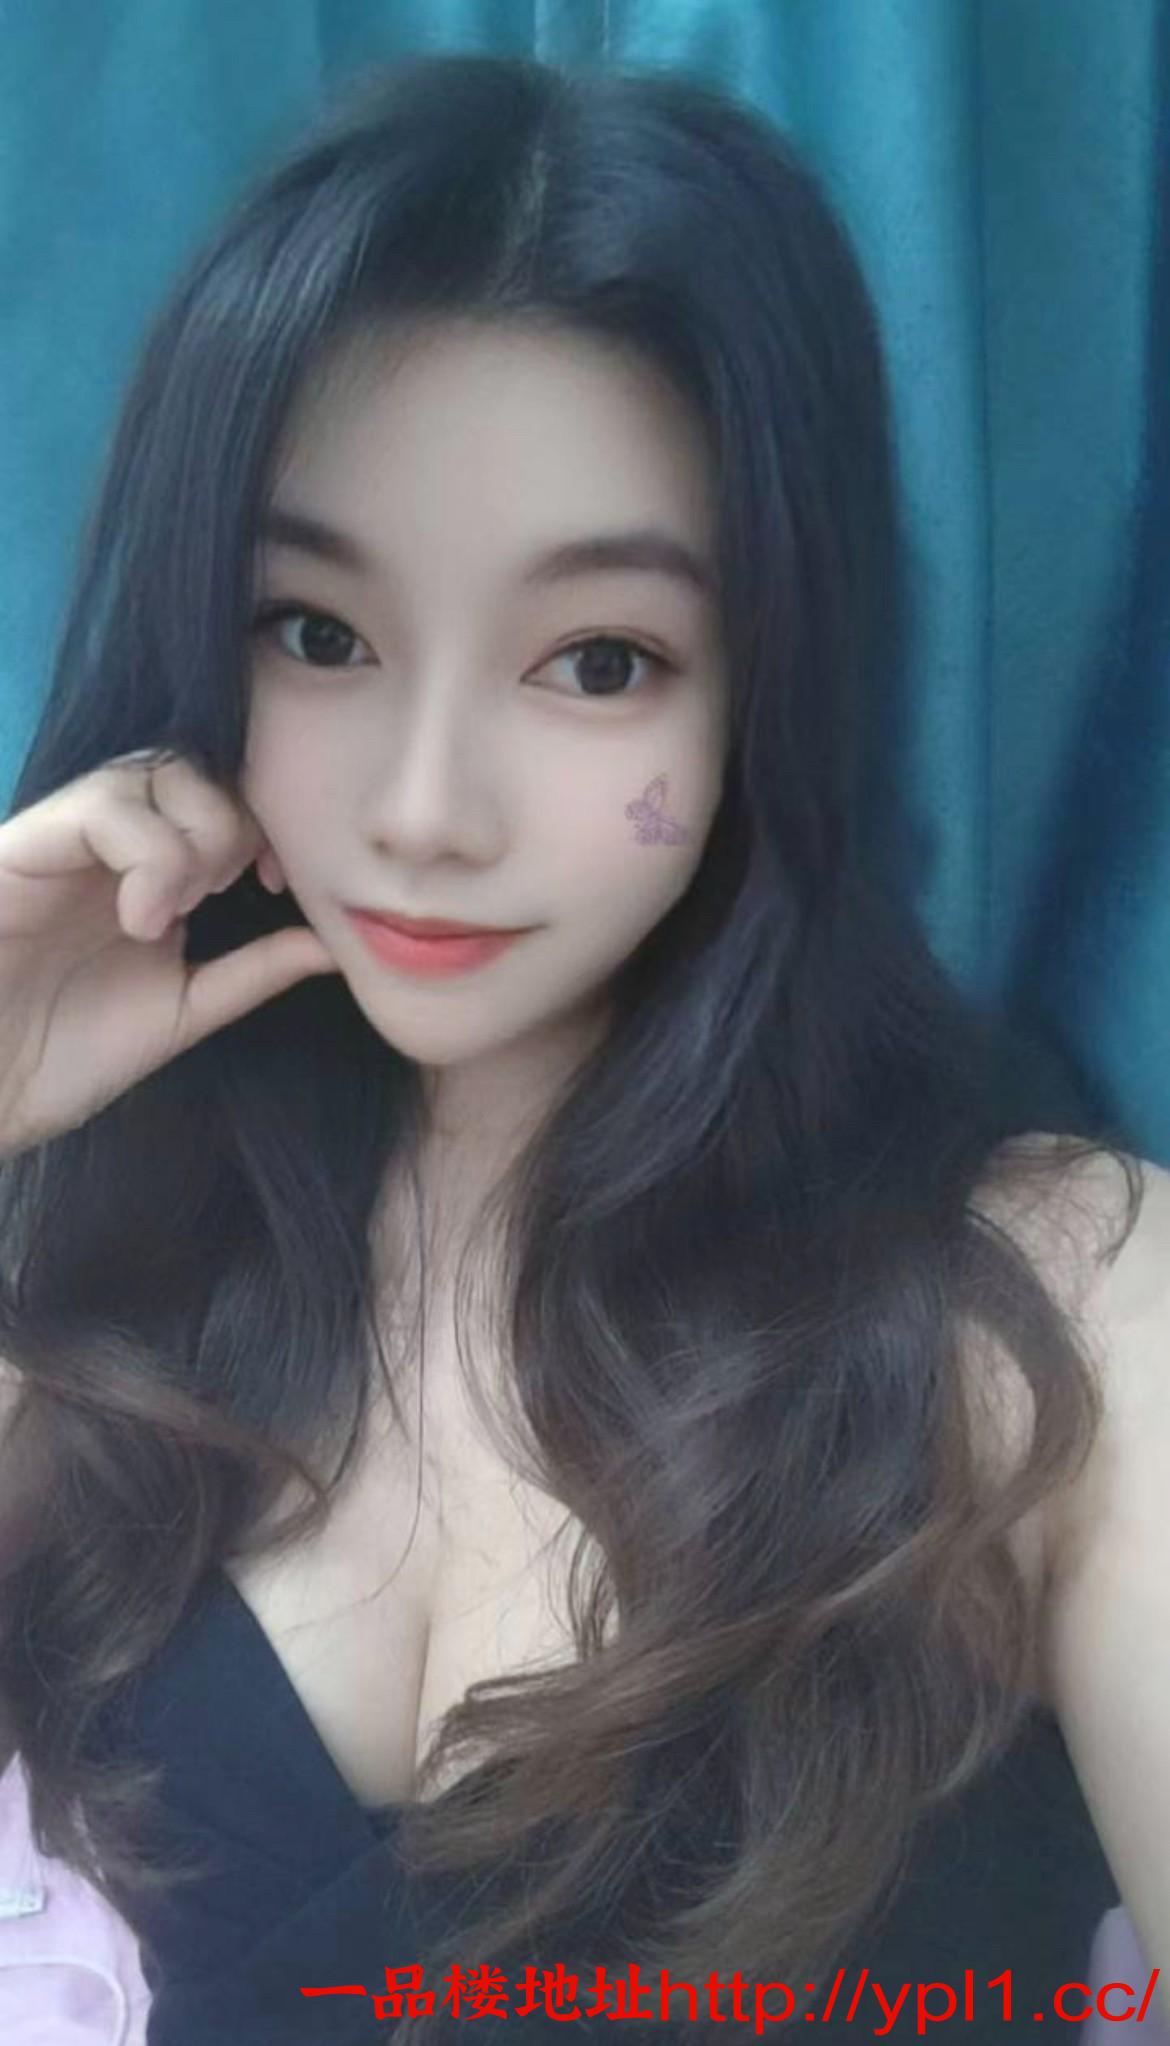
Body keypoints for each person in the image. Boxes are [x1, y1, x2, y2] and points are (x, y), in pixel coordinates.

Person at [0, 47, 1165, 2046]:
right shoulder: (111, 1274)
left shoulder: (1061, 1317)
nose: (424, 808)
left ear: (764, 687)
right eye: (319, 633)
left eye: (596, 660)